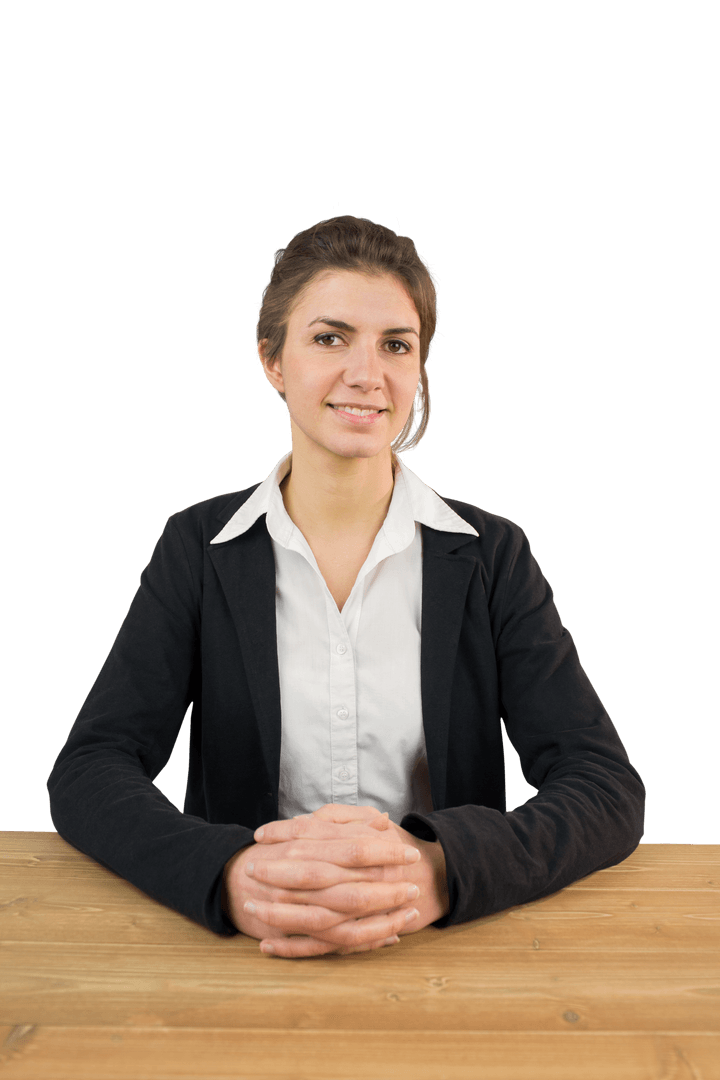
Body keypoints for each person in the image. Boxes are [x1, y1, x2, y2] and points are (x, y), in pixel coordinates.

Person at [47, 214, 645, 960]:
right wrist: (228, 875)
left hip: (440, 955)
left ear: (419, 367)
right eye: (330, 338)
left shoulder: (492, 555)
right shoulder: (198, 548)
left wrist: (438, 871)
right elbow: (90, 768)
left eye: (396, 345)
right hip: (248, 955)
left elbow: (605, 786)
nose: (367, 374)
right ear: (272, 360)